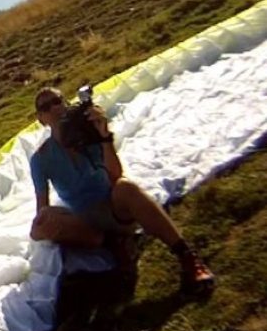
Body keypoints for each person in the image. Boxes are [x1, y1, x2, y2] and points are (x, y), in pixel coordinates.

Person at [28, 87, 215, 296]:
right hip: (83, 220)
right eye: (46, 107)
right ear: (41, 119)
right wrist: (51, 223)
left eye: (57, 101)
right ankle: (114, 243)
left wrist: (105, 137)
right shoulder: (41, 158)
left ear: (66, 103)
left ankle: (187, 257)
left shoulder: (88, 134)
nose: (54, 108)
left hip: (112, 205)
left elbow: (115, 176)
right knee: (42, 222)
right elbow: (41, 208)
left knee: (127, 187)